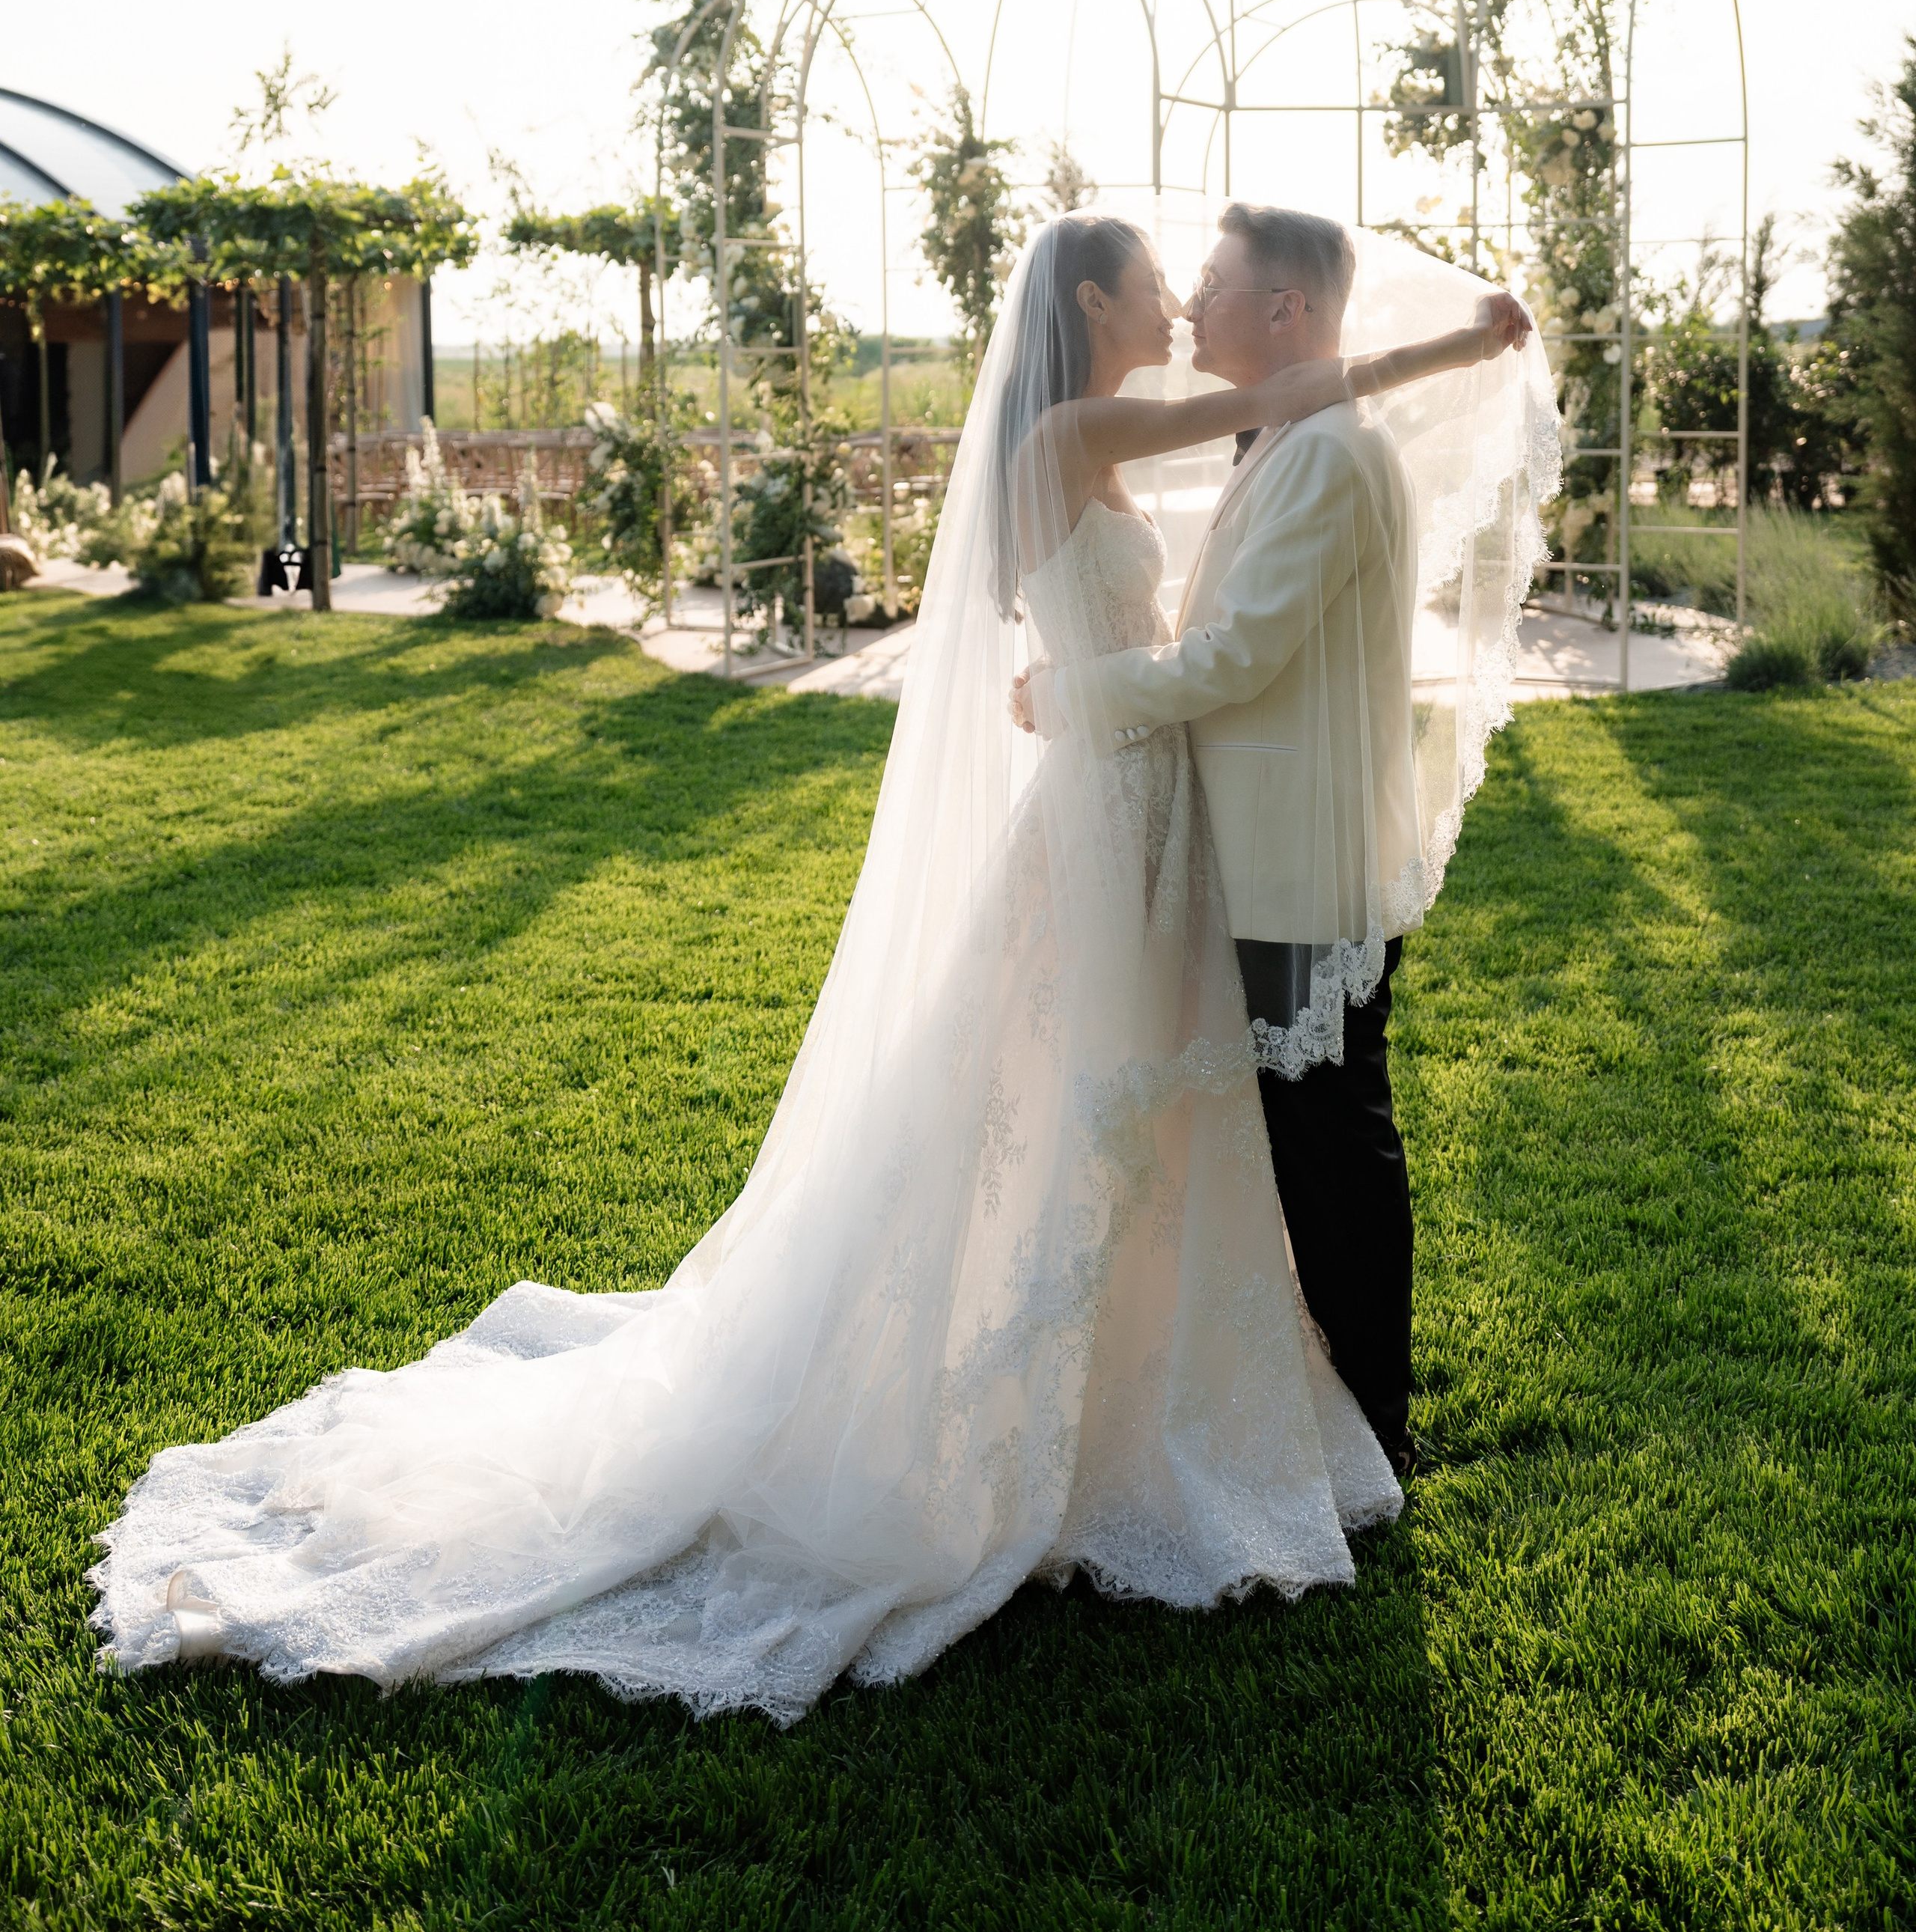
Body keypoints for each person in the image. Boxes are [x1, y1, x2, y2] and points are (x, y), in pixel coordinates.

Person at [91, 212, 1547, 1725]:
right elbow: (1258, 411)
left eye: (1211, 277)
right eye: (1160, 278)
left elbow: (1271, 430)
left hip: (1146, 811)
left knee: (1124, 1106)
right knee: (1076, 1093)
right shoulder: (1073, 426)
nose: (1184, 292)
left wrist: (1445, 348)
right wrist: (1455, 341)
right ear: (1095, 300)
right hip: (1110, 806)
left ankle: (1135, 1391)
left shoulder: (1117, 438)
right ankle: (1064, 1403)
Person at [1015, 205, 1506, 1469]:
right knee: (1295, 1130)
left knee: (1332, 1132)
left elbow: (1234, 655)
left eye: (1218, 283)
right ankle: (1321, 1396)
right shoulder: (1281, 431)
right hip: (1244, 852)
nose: (1191, 303)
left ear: (1285, 309)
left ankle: (1374, 1417)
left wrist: (1073, 696)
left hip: (1304, 861)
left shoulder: (1332, 451)